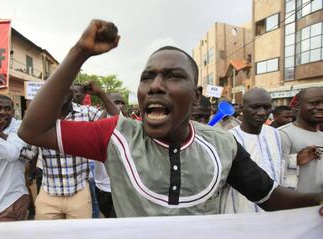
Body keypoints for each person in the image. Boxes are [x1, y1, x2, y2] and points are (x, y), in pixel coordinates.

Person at [19, 20, 323, 217]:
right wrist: (80, 52)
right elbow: (33, 130)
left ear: (195, 95)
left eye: (173, 76)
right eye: (147, 77)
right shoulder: (115, 136)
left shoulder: (222, 145)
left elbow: (270, 198)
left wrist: (318, 200)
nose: (155, 86)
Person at [35, 83, 119, 220]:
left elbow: (117, 120)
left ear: (72, 92)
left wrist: (102, 94)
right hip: (48, 194)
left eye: (67, 83)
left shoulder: (86, 112)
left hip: (79, 194)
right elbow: (27, 152)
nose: (62, 88)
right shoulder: (40, 116)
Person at [225, 88, 284, 214]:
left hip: (274, 214)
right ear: (241, 108)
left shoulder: (275, 133)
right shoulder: (227, 138)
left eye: (266, 107)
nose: (262, 112)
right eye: (255, 107)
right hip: (240, 215)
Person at [279, 87, 323, 193]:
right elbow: (272, 172)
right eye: (314, 103)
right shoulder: (283, 134)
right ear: (297, 106)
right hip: (295, 205)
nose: (321, 107)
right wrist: (296, 160)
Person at [93, 92, 126, 218]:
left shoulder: (129, 126)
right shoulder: (98, 126)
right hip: (103, 189)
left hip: (123, 190)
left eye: (122, 103)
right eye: (116, 102)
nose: (120, 106)